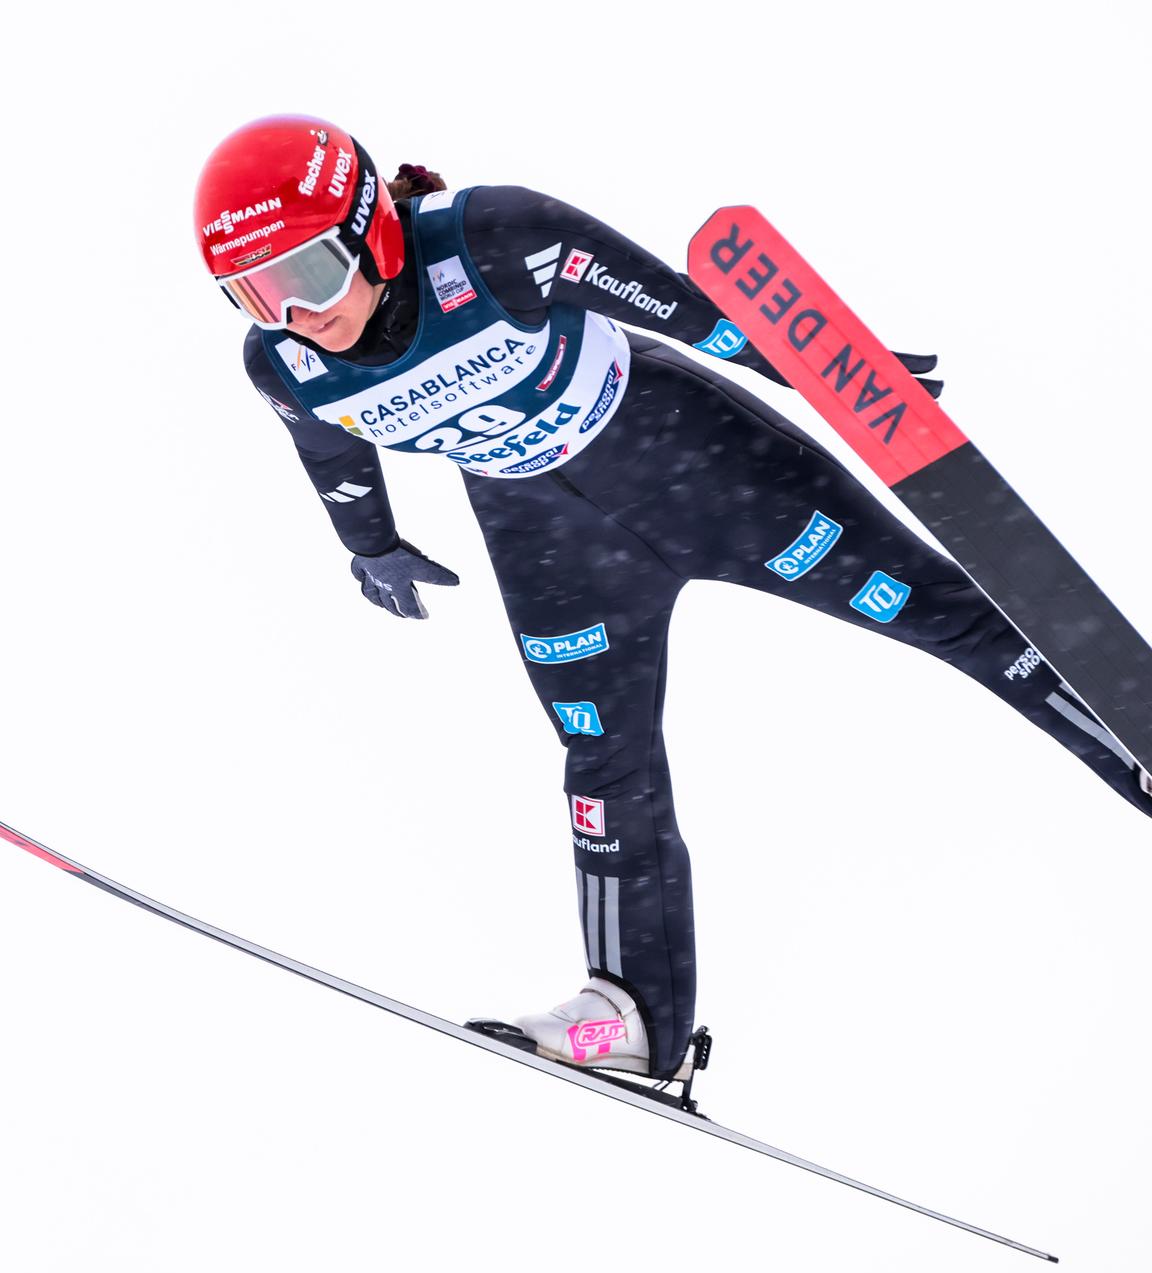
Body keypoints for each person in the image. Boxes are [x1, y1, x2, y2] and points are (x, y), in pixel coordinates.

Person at [194, 114, 1152, 1084]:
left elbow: (694, 313)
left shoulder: (495, 240)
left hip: (700, 470)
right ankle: (631, 1012)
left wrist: (839, 374)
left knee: (940, 612)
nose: (294, 313)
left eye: (308, 274)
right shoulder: (283, 363)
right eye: (253, 294)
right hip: (552, 549)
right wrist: (371, 546)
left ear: (371, 229)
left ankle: (1137, 743)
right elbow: (330, 453)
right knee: (603, 762)